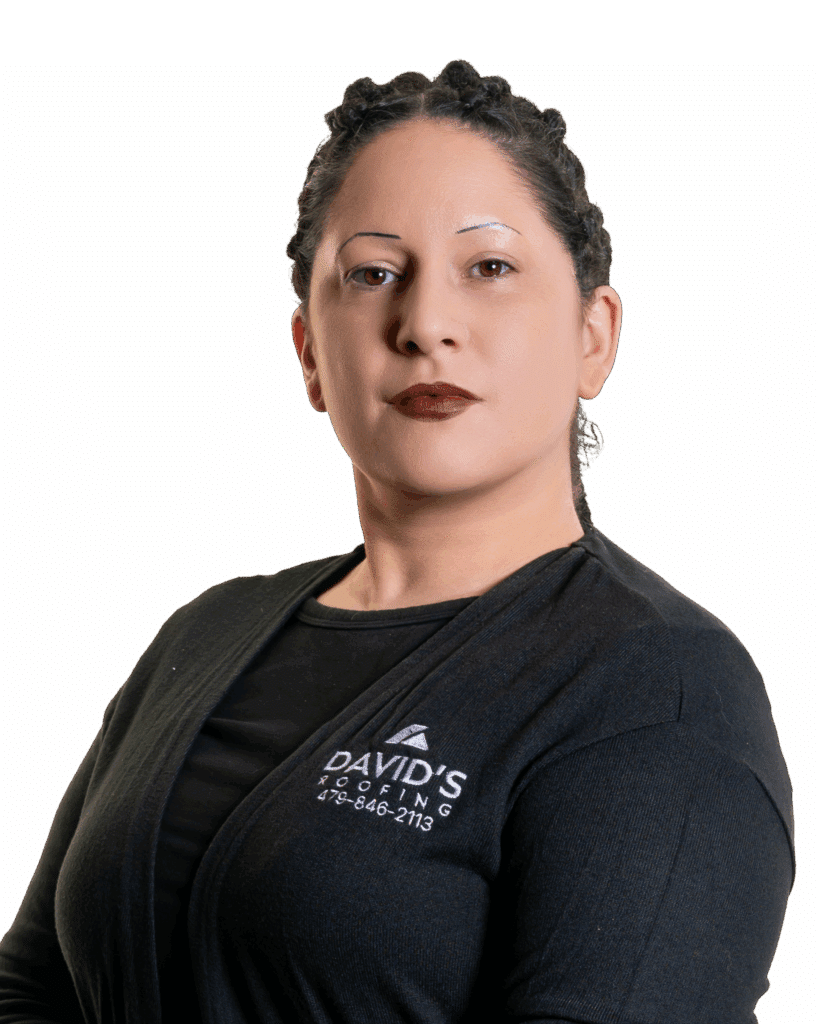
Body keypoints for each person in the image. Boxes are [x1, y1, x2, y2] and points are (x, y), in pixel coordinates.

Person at [0, 59, 794, 1024]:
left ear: (595, 335)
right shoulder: (206, 633)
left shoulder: (658, 689)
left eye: (489, 268)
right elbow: (33, 988)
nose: (424, 324)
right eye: (373, 274)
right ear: (308, 355)